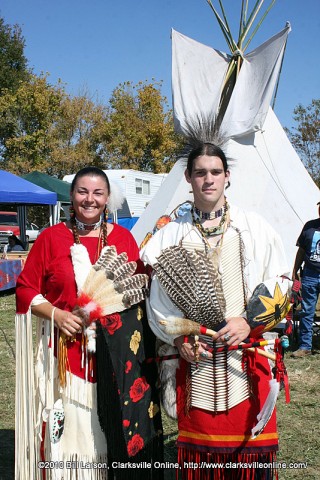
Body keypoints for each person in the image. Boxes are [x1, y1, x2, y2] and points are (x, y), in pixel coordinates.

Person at [141, 140, 289, 480]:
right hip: (197, 368)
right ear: (189, 178)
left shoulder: (255, 229)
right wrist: (179, 340)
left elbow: (281, 284)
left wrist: (249, 321)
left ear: (227, 177)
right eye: (200, 172)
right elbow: (158, 305)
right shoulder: (169, 237)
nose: (208, 179)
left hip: (247, 364)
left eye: (215, 172)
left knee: (250, 459)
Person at [15, 166, 163, 480]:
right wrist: (57, 314)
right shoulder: (51, 238)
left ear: (108, 198)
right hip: (67, 360)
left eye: (98, 193)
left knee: (111, 435)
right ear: (71, 196)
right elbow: (26, 288)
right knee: (72, 436)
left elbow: (137, 295)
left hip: (116, 359)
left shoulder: (123, 239)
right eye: (83, 191)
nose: (89, 200)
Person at [291, 209, 320, 358]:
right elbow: (301, 251)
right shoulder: (310, 226)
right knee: (307, 312)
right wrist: (295, 269)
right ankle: (305, 346)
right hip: (310, 275)